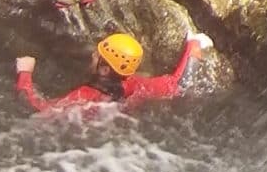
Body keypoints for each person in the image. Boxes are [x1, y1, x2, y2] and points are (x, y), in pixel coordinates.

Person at [14, 28, 212, 115]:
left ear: (104, 69)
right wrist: (194, 44)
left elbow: (37, 109)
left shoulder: (85, 95)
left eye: (97, 56)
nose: (93, 55)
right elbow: (181, 83)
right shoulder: (136, 86)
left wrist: (25, 73)